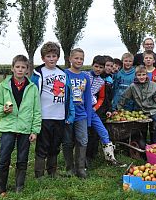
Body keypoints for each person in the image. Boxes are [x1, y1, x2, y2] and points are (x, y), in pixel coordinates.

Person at [0, 55, 41, 195]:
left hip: (25, 129)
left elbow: (37, 111)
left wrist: (35, 130)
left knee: (22, 158)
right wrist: (3, 109)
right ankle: (1, 186)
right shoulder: (2, 86)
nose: (20, 70)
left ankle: (19, 186)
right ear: (12, 68)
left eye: (23, 67)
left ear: (27, 70)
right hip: (8, 127)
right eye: (17, 67)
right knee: (3, 158)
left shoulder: (32, 88)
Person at [31, 41, 74, 178]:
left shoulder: (62, 73)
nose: (51, 59)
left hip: (60, 116)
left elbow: (69, 94)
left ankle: (52, 172)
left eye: (54, 56)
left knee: (55, 146)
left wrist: (69, 114)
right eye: (48, 56)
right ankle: (39, 174)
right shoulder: (38, 73)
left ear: (58, 57)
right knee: (43, 146)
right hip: (44, 116)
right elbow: (32, 94)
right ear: (43, 58)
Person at [117, 65, 156, 143]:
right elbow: (124, 97)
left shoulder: (153, 85)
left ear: (147, 75)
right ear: (136, 76)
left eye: (143, 74)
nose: (141, 77)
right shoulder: (133, 86)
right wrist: (118, 109)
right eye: (139, 75)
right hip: (147, 110)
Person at [85, 55, 120, 166]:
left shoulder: (101, 81)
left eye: (101, 67)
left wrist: (95, 108)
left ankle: (110, 158)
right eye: (96, 66)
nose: (98, 69)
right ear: (92, 65)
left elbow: (102, 97)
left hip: (93, 110)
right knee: (85, 134)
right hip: (81, 110)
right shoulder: (84, 76)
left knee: (103, 133)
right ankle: (84, 159)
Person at [64, 48, 93, 178]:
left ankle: (80, 168)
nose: (79, 61)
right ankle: (69, 168)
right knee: (68, 142)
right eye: (76, 58)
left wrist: (89, 118)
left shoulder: (85, 77)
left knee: (83, 140)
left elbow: (87, 99)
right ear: (70, 59)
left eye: (81, 58)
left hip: (81, 115)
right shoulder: (64, 74)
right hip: (67, 115)